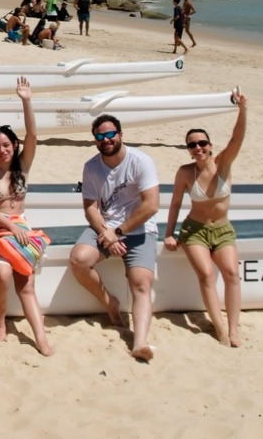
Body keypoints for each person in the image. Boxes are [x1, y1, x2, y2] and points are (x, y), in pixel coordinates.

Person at [68, 114, 161, 362]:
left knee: (141, 282)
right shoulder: (91, 166)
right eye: (100, 136)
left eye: (110, 134)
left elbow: (151, 205)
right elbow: (90, 208)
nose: (106, 139)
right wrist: (106, 233)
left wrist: (118, 232)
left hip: (139, 229)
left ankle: (140, 342)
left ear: (120, 134)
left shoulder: (140, 161)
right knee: (78, 260)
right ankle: (111, 303)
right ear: (95, 140)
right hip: (106, 227)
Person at [162, 92, 249, 346]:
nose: (198, 148)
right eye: (192, 145)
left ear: (210, 146)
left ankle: (234, 328)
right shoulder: (185, 173)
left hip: (223, 230)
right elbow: (176, 203)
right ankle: (219, 328)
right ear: (188, 151)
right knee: (207, 275)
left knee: (232, 273)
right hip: (195, 231)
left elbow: (237, 138)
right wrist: (170, 233)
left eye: (202, 143)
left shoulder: (223, 164)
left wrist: (242, 109)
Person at [0, 77, 52, 356]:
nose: (1, 150)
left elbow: (33, 135)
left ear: (13, 146)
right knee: (3, 272)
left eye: (6, 145)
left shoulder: (22, 165)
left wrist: (26, 100)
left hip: (20, 227)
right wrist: (10, 226)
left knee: (26, 283)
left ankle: (41, 338)